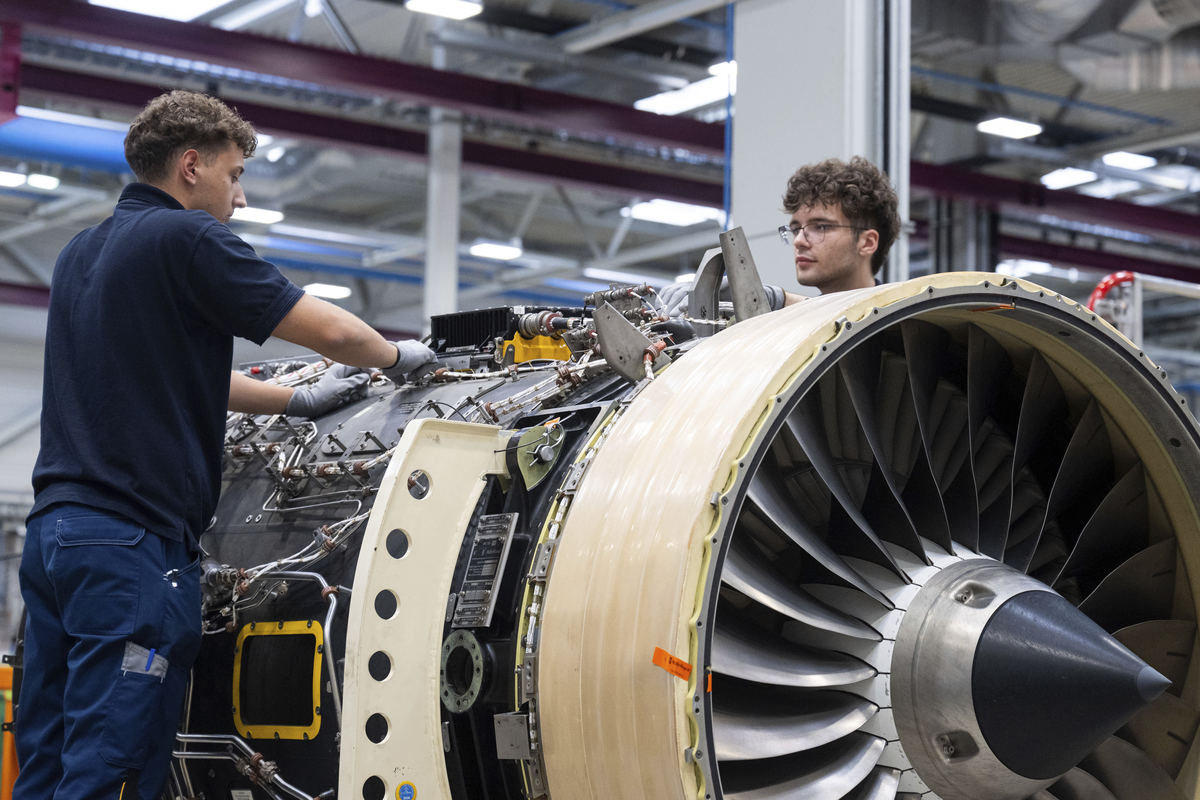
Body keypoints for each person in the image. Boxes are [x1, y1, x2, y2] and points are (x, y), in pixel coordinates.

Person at [15, 90, 434, 800]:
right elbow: (330, 333)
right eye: (235, 174)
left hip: (56, 543)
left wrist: (297, 400)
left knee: (50, 760)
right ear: (190, 166)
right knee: (112, 763)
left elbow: (179, 375)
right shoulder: (187, 240)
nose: (238, 197)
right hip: (131, 547)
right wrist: (398, 359)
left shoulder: (80, 254)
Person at [661, 155, 901, 314]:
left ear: (867, 242)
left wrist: (779, 299)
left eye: (821, 227)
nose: (799, 241)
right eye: (796, 228)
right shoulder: (796, 336)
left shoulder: (902, 325)